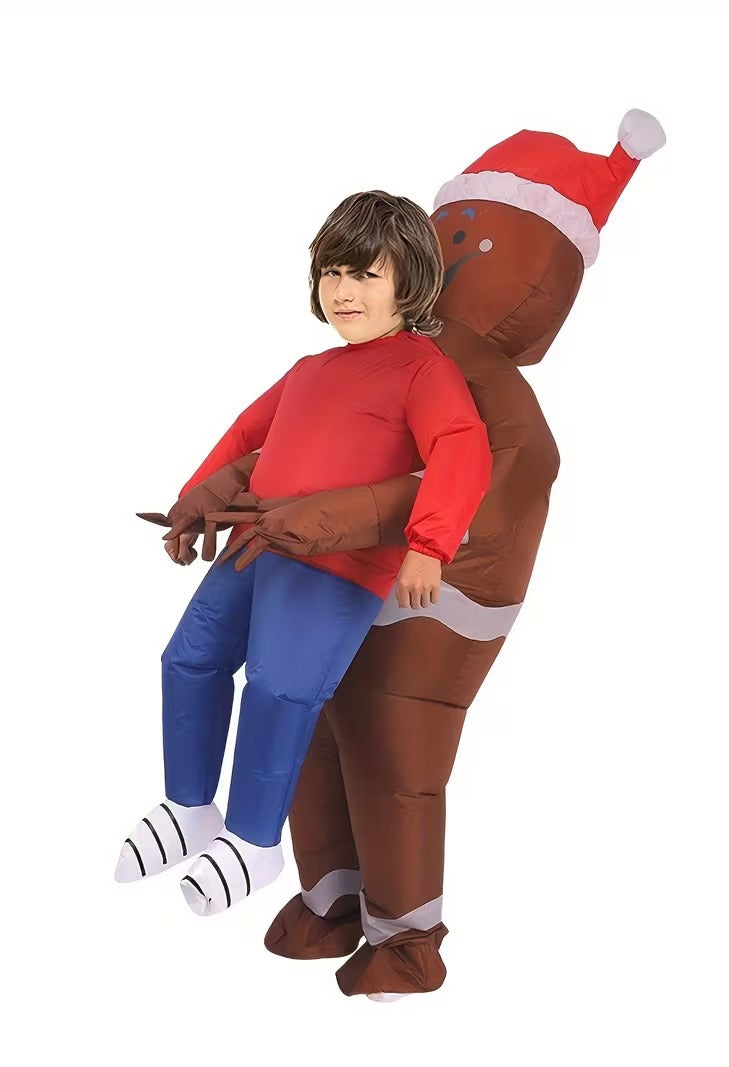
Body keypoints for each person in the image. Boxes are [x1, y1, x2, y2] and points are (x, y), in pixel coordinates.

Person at [114, 190, 493, 917]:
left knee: (279, 689)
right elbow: (245, 435)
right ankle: (189, 807)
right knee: (187, 660)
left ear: (410, 283)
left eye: (366, 275)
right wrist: (195, 503)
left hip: (337, 564)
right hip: (256, 543)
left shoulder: (423, 371)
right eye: (332, 273)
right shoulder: (310, 368)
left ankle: (255, 840)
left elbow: (460, 448)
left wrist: (429, 544)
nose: (343, 291)